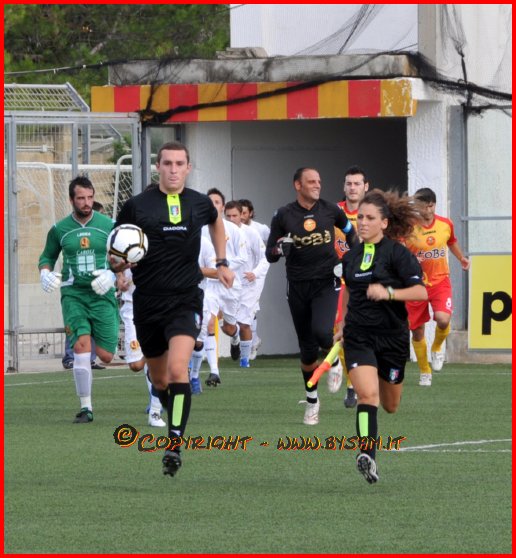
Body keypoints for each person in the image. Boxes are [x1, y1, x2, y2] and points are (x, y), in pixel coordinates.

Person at [113, 141, 234, 477]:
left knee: (179, 369)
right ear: (158, 166)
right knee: (160, 379)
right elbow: (116, 246)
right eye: (167, 163)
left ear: (188, 167)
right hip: (148, 301)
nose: (173, 169)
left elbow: (217, 222)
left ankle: (174, 444)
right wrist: (119, 266)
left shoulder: (199, 202)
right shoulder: (137, 205)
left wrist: (222, 261)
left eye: (180, 164)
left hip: (185, 299)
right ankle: (173, 416)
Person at [335, 189, 427, 484]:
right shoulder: (351, 256)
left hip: (392, 338)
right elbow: (348, 289)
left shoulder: (398, 254)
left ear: (384, 223)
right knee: (367, 395)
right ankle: (367, 455)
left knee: (390, 405)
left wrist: (388, 292)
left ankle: (369, 449)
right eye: (360, 217)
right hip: (359, 335)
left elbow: (421, 292)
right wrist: (341, 323)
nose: (362, 222)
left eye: (370, 218)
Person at [265, 167, 356, 425]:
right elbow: (270, 253)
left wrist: (353, 258)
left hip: (326, 281)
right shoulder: (283, 215)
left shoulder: (331, 210)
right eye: (311, 181)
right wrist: (279, 249)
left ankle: (334, 361)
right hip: (297, 286)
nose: (317, 185)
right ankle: (312, 401)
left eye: (319, 181)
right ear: (298, 185)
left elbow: (351, 233)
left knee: (323, 333)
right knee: (306, 352)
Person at [38, 176, 119, 423]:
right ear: (71, 200)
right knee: (81, 347)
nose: (86, 203)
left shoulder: (109, 225)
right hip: (73, 295)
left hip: (102, 294)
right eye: (81, 198)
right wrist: (44, 273)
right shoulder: (59, 229)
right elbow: (47, 257)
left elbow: (124, 258)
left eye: (90, 197)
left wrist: (112, 274)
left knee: (106, 355)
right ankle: (86, 408)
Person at [404, 187, 470, 386]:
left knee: (443, 319)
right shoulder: (408, 228)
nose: (423, 210)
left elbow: (452, 241)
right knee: (417, 331)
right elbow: (397, 249)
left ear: (433, 205)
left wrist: (461, 258)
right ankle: (425, 371)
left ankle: (437, 347)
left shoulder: (445, 224)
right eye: (419, 206)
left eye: (427, 206)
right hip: (415, 284)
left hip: (440, 281)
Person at [334, 166, 370, 408]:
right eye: (349, 183)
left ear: (365, 187)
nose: (353, 187)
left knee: (358, 333)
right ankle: (346, 376)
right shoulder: (333, 212)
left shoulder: (372, 213)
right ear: (344, 186)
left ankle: (352, 383)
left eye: (357, 183)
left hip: (363, 279)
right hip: (337, 280)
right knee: (338, 329)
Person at [204, 188, 248, 369]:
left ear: (222, 207)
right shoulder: (199, 229)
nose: (213, 205)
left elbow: (243, 257)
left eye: (217, 202)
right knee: (208, 322)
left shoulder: (233, 230)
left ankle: (235, 336)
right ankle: (212, 370)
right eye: (210, 202)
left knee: (228, 328)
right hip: (208, 284)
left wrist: (223, 266)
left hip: (229, 285)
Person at [62, 200, 107, 371]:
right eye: (100, 214)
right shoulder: (72, 234)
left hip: (97, 289)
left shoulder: (102, 234)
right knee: (77, 323)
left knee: (92, 325)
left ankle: (90, 358)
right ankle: (70, 357)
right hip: (77, 289)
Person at [116, 269, 165, 427]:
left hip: (158, 304)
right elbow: (114, 261)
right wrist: (119, 276)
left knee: (158, 354)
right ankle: (152, 354)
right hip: (132, 306)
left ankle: (155, 412)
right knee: (136, 365)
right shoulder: (123, 252)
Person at [224, 200, 270, 367]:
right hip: (227, 284)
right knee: (228, 326)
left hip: (249, 284)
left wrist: (255, 273)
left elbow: (265, 258)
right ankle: (235, 338)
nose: (231, 219)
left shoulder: (251, 233)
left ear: (241, 216)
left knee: (244, 323)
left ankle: (245, 361)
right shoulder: (219, 232)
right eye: (228, 216)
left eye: (235, 215)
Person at [238, 198, 270, 359]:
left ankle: (250, 344)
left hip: (256, 275)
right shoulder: (233, 229)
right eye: (239, 213)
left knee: (250, 308)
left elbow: (275, 239)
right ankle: (252, 340)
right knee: (240, 310)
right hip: (241, 275)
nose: (241, 216)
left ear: (251, 213)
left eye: (244, 213)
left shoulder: (259, 229)